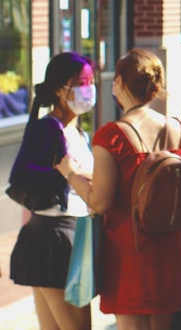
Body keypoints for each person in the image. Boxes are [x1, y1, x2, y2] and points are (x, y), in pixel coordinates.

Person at [84, 49, 181, 329]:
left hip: (128, 248)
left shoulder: (112, 136)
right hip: (170, 246)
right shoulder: (180, 132)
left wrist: (71, 175)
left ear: (120, 82)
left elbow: (100, 202)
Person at [9, 52, 96, 330]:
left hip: (72, 234)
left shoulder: (78, 132)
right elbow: (20, 178)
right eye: (81, 82)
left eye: (91, 81)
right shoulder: (49, 128)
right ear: (59, 89)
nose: (89, 88)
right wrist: (67, 175)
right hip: (53, 238)